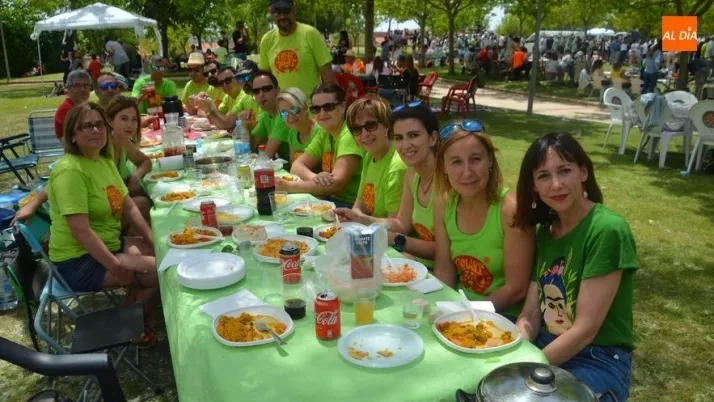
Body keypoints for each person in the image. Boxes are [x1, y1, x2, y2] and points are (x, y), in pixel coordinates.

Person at [514, 132, 637, 402]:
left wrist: (523, 370)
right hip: (546, 345)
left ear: (583, 172)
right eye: (543, 176)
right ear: (534, 186)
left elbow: (585, 331)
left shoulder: (607, 230)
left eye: (564, 171)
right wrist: (516, 347)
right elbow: (531, 313)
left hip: (597, 358)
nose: (556, 184)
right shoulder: (546, 232)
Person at [48, 102, 159, 345]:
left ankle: (132, 317)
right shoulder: (70, 171)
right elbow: (80, 231)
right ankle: (127, 328)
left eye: (99, 124)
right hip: (78, 260)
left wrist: (153, 240)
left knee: (165, 255)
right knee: (162, 272)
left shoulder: (103, 160)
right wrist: (117, 267)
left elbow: (129, 206)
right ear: (73, 135)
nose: (95, 130)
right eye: (86, 126)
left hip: (108, 243)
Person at [433, 120, 534, 317]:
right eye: (456, 162)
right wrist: (440, 309)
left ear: (490, 160)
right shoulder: (444, 204)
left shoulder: (510, 209)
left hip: (503, 316)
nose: (467, 172)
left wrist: (465, 315)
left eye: (475, 159)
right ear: (443, 166)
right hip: (459, 309)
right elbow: (444, 270)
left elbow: (516, 289)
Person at [333, 102, 439, 267]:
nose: (405, 145)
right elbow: (401, 223)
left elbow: (444, 251)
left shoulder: (444, 180)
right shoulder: (411, 172)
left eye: (413, 135)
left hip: (424, 264)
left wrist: (381, 235)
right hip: (412, 258)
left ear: (433, 138)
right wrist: (360, 219)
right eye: (399, 138)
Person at [282, 83, 364, 208]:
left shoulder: (349, 134)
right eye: (316, 109)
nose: (322, 113)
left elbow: (336, 184)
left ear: (343, 106)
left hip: (351, 205)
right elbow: (296, 165)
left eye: (328, 107)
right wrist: (316, 177)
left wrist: (288, 187)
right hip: (331, 199)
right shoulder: (324, 131)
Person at [331, 97, 406, 222]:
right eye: (357, 129)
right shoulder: (369, 156)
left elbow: (395, 225)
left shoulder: (397, 166)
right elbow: (359, 206)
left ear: (387, 125)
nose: (364, 134)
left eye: (371, 125)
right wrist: (352, 217)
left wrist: (358, 219)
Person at [259, 0, 335, 99]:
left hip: (309, 106)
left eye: (286, 11)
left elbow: (327, 74)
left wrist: (330, 102)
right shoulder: (267, 40)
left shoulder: (311, 34)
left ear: (294, 9)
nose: (282, 17)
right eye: (277, 13)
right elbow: (265, 79)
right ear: (271, 12)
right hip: (281, 107)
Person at [105, 96, 153, 220]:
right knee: (143, 204)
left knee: (147, 194)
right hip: (104, 205)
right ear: (110, 121)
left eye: (134, 119)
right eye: (124, 119)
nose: (130, 125)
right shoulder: (103, 146)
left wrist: (135, 177)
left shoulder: (123, 141)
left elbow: (145, 161)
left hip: (116, 197)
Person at [237, 70, 290, 158]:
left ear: (278, 90)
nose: (261, 95)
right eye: (256, 91)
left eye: (266, 89)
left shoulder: (285, 114)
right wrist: (245, 125)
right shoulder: (266, 115)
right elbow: (252, 146)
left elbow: (267, 155)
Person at [202, 65, 260, 130]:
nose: (224, 85)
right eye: (221, 83)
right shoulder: (229, 97)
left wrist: (210, 107)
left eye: (228, 80)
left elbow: (226, 124)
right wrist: (208, 108)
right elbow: (222, 120)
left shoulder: (243, 96)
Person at [275, 87, 319, 163]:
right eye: (284, 113)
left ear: (305, 107)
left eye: (294, 110)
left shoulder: (320, 131)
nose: (290, 117)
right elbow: (293, 164)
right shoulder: (292, 133)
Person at [55, 70, 91, 139]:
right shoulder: (66, 109)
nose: (83, 89)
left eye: (86, 85)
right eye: (77, 86)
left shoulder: (83, 107)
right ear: (68, 89)